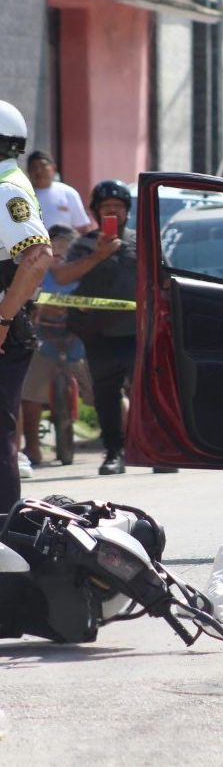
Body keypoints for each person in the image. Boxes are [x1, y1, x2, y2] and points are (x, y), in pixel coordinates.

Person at [52, 179, 176, 476]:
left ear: (128, 211)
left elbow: (167, 279)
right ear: (95, 211)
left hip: (140, 333)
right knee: (106, 395)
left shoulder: (144, 240)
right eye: (106, 208)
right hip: (100, 335)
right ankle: (114, 452)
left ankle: (157, 452)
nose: (112, 212)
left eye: (117, 207)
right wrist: (98, 256)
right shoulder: (83, 244)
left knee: (147, 394)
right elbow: (62, 278)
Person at [0, 100, 52, 512]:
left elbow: (37, 256)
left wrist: (2, 319)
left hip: (4, 330)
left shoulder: (6, 189)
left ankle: (3, 531)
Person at [20, 224, 93, 466]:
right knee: (28, 393)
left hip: (79, 340)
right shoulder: (34, 274)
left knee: (107, 389)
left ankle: (123, 439)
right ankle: (32, 448)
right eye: (56, 252)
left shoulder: (85, 275)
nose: (60, 257)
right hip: (44, 341)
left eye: (67, 253)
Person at [27, 149, 91, 234]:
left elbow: (82, 228)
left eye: (43, 166)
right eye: (34, 167)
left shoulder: (68, 193)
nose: (39, 171)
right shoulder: (23, 195)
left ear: (53, 168)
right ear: (28, 171)